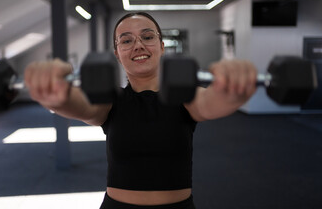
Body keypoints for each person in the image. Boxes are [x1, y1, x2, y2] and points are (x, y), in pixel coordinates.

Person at [24, 12, 257, 208]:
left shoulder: (183, 94)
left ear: (162, 46)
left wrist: (231, 92)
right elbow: (84, 106)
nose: (138, 45)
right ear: (117, 54)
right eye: (126, 41)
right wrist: (58, 96)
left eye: (147, 36)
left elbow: (209, 103)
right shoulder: (111, 99)